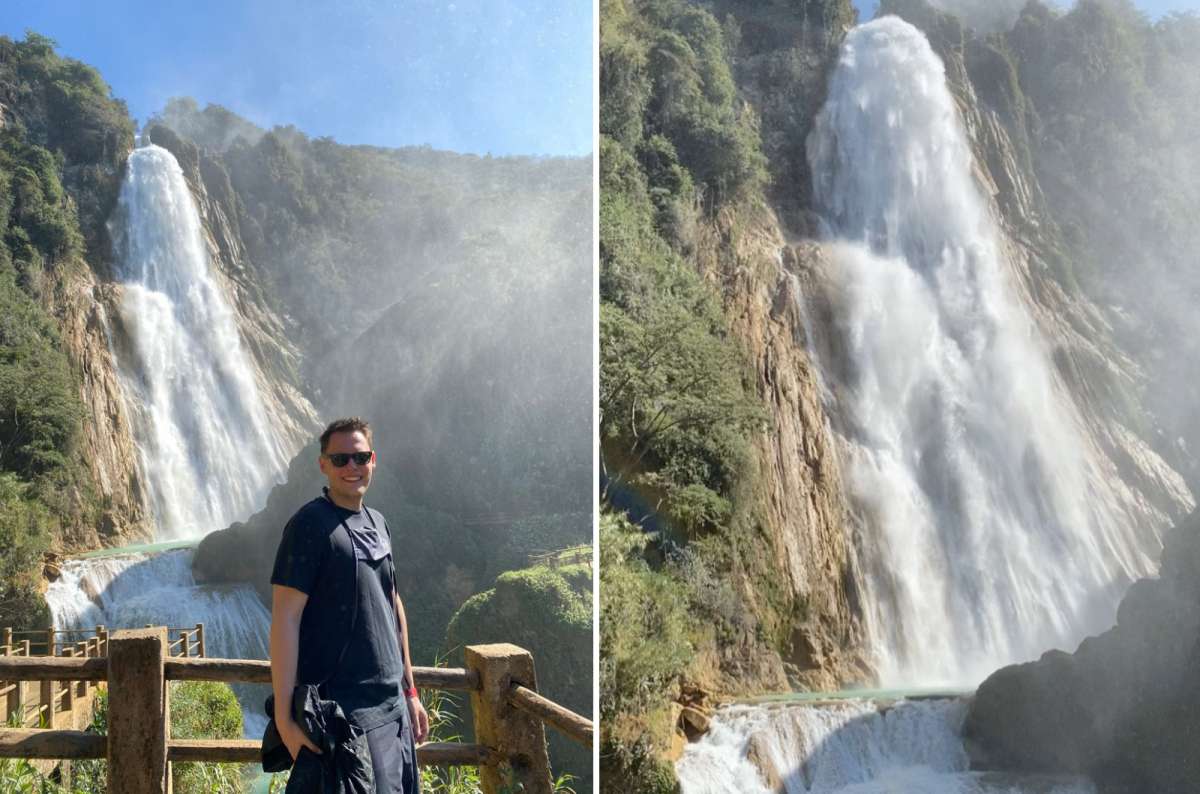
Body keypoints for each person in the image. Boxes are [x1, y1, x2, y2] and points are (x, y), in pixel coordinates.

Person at [269, 417, 429, 793]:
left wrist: (411, 692)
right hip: (346, 716)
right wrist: (284, 719)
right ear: (323, 465)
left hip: (393, 710)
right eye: (340, 459)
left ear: (373, 460)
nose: (351, 467)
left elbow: (393, 607)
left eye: (359, 457)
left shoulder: (378, 522)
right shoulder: (309, 525)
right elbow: (285, 620)